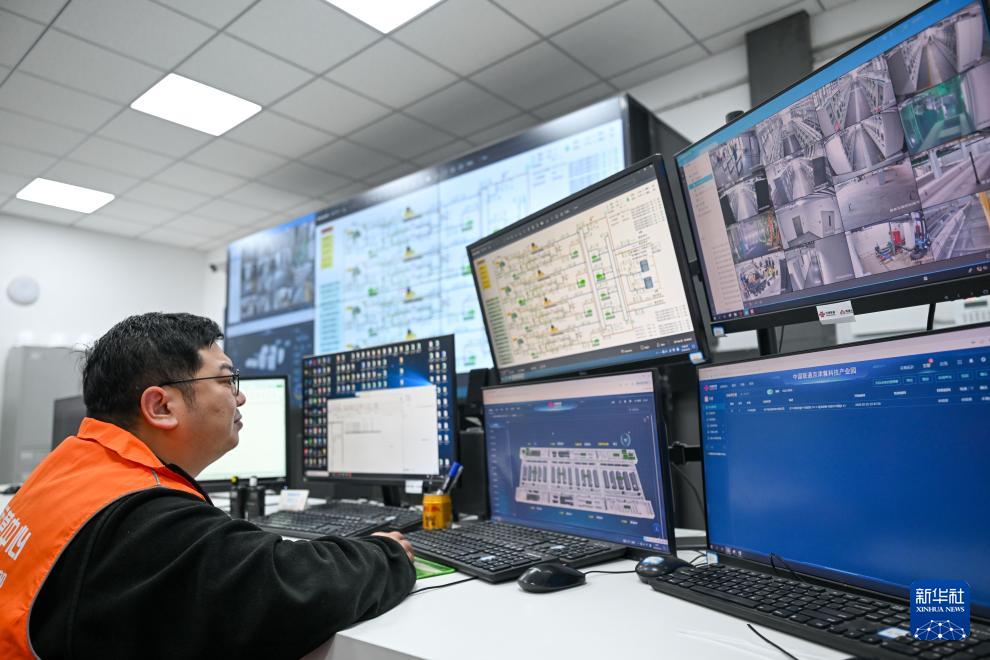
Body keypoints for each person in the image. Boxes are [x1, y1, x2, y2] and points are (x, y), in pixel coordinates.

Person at [0, 313, 416, 658]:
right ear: (161, 406)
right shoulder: (144, 514)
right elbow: (288, 589)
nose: (240, 397)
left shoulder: (72, 465)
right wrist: (388, 553)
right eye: (226, 380)